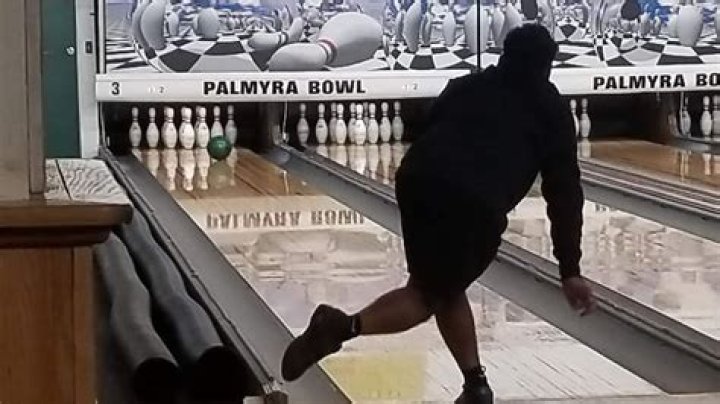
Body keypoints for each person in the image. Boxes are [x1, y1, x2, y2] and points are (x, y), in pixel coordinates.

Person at [281, 24, 596, 403]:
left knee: (444, 285)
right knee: (426, 295)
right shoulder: (552, 110)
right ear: (548, 65)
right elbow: (564, 193)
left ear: (504, 54)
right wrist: (569, 269)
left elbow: (430, 129)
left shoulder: (465, 85)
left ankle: (475, 384)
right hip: (475, 203)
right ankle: (343, 326)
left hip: (418, 181)